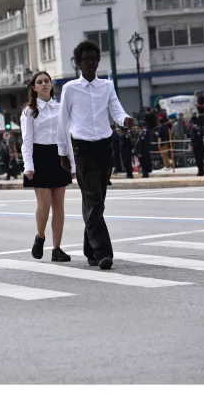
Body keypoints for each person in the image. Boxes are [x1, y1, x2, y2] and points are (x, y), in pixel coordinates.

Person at [57, 40, 134, 270]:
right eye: (86, 59)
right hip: (82, 148)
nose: (91, 63)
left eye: (94, 59)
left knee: (96, 201)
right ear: (79, 64)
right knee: (93, 199)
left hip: (104, 147)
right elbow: (62, 122)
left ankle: (89, 248)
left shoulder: (107, 86)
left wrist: (125, 120)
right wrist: (63, 153)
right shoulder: (70, 89)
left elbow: (116, 110)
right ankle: (103, 252)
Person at [20, 71, 75, 262]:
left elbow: (67, 137)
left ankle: (57, 248)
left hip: (58, 155)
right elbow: (26, 141)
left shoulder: (60, 108)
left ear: (51, 85)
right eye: (39, 82)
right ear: (34, 88)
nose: (44, 84)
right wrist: (28, 165)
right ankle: (40, 236)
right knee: (44, 204)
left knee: (59, 205)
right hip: (39, 156)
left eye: (47, 81)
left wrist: (72, 165)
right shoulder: (29, 111)